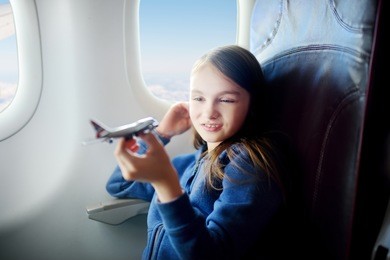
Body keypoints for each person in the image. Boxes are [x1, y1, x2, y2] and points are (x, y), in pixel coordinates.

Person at [106, 45, 286, 259]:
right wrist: (162, 133)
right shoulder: (188, 164)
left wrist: (167, 184)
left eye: (226, 100)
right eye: (198, 98)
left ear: (252, 105)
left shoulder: (248, 166)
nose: (209, 112)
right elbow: (119, 185)